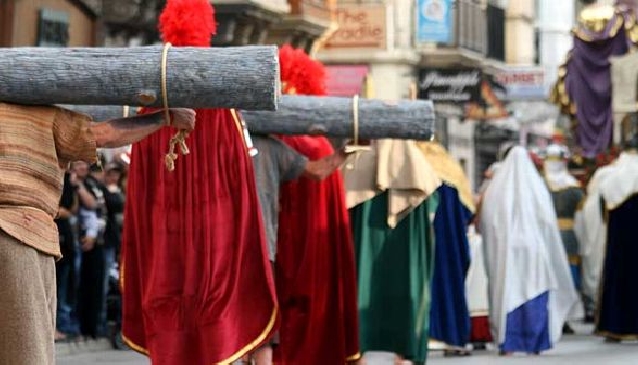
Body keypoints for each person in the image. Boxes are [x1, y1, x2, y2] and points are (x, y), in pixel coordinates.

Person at [120, 1, 278, 364]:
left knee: (167, 293)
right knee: (212, 299)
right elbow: (240, 178)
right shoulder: (224, 106)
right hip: (215, 232)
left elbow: (138, 184)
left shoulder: (149, 103)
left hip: (164, 233)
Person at [0, 100, 195, 365]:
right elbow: (103, 135)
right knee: (25, 351)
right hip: (18, 236)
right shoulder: (43, 112)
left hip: (22, 233)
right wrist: (163, 118)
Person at [272, 44, 361, 364]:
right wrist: (346, 152)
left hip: (284, 237)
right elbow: (321, 171)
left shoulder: (276, 138)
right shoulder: (317, 142)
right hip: (309, 241)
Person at [245, 133, 351, 365]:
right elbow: (317, 171)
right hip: (261, 249)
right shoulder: (268, 145)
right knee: (263, 329)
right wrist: (347, 149)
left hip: (227, 250)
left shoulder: (227, 141)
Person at [346, 139, 441, 365]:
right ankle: (404, 353)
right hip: (406, 252)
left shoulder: (356, 163)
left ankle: (357, 352)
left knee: (363, 287)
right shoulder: (417, 166)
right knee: (408, 290)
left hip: (363, 249)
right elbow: (432, 211)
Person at [480, 146, 578, 355]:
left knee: (507, 291)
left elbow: (488, 221)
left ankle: (507, 342)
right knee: (535, 289)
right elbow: (547, 222)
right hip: (534, 250)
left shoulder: (497, 188)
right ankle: (535, 342)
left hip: (507, 251)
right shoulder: (536, 188)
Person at [417, 142, 475, 357]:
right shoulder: (451, 170)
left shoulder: (413, 163)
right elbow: (468, 211)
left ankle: (419, 337)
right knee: (450, 284)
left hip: (420, 240)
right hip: (449, 244)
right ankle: (453, 336)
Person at [595, 130, 638, 342]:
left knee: (618, 279)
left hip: (619, 246)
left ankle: (615, 327)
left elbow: (601, 211)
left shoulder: (609, 176)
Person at [542, 143, 585, 332]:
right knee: (567, 275)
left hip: (546, 236)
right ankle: (566, 316)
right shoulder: (574, 188)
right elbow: (582, 218)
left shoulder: (539, 184)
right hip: (569, 236)